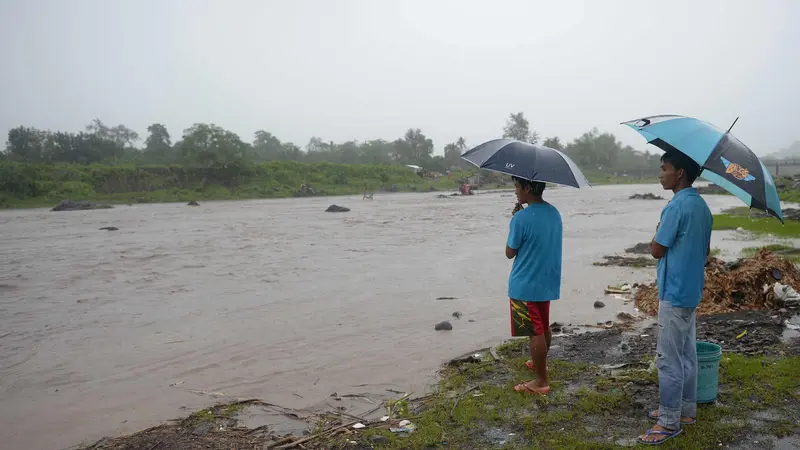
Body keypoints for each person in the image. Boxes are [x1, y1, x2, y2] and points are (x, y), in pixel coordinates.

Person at [639, 150, 713, 445]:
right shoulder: (703, 207)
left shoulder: (675, 207)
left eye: (664, 168)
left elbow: (657, 249)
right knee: (686, 354)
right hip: (692, 290)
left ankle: (669, 421)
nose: (661, 173)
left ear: (679, 172)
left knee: (668, 359)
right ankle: (686, 410)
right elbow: (705, 252)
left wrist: (657, 232)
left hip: (673, 291)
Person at [505, 176, 562, 396]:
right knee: (543, 325)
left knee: (534, 331)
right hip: (546, 280)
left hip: (524, 283)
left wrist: (517, 218)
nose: (515, 192)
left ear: (527, 188)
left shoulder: (521, 218)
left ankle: (541, 381)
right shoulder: (554, 212)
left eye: (517, 187)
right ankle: (539, 364)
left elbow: (510, 252)